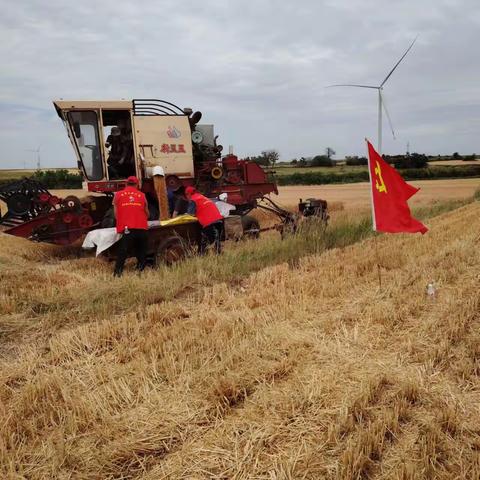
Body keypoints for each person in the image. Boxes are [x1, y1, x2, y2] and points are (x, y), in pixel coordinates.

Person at [113, 176, 149, 276]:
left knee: (123, 251)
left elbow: (116, 214)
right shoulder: (142, 195)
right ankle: (141, 269)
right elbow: (147, 213)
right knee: (141, 250)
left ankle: (118, 272)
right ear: (137, 184)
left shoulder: (118, 195)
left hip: (127, 228)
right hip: (141, 227)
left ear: (126, 184)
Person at [185, 186, 223, 254]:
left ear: (189, 194)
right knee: (216, 243)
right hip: (219, 220)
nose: (186, 197)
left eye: (186, 195)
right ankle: (218, 255)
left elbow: (190, 215)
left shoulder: (193, 200)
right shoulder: (203, 197)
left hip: (209, 222)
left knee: (204, 241)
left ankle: (202, 255)